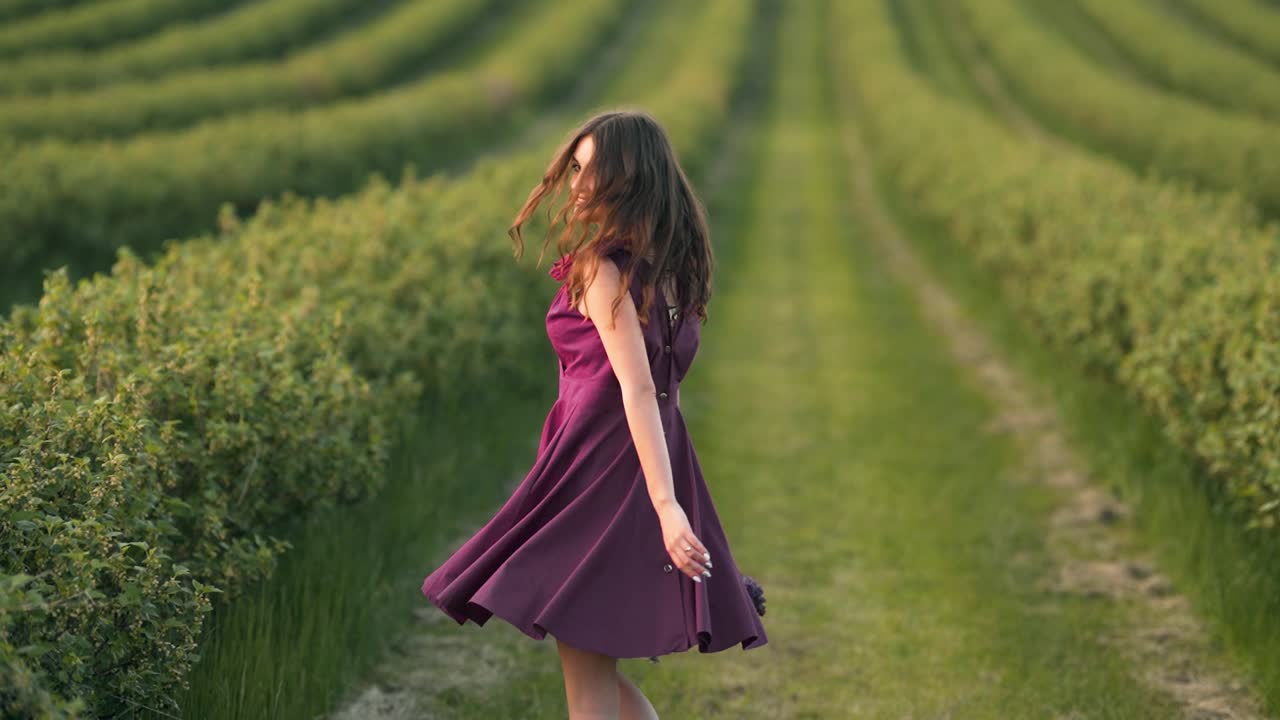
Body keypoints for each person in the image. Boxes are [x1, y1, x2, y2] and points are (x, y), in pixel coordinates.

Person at [420, 109, 767, 719]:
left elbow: (640, 389)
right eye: (575, 169)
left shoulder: (603, 269)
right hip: (639, 462)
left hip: (595, 474)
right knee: (596, 677)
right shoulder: (671, 273)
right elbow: (659, 393)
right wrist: (668, 498)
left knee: (588, 692)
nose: (577, 186)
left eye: (593, 172)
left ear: (631, 179)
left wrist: (668, 507)